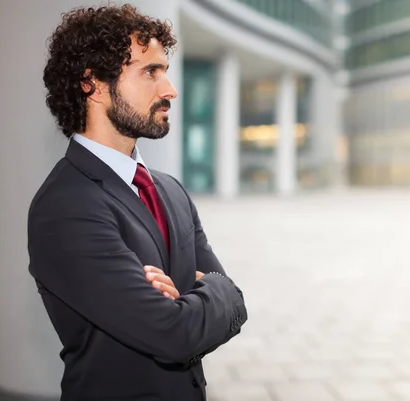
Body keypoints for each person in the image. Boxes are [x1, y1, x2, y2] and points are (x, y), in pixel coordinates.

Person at [27, 4, 247, 401]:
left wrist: (204, 294)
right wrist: (206, 292)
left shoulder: (171, 190)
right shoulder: (65, 207)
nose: (170, 90)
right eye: (150, 71)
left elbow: (235, 300)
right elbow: (175, 333)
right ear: (91, 83)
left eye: (165, 70)